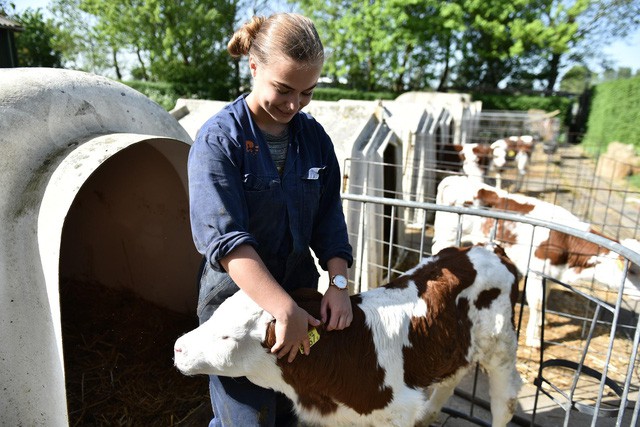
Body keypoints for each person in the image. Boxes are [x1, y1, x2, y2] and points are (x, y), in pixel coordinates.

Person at [187, 12, 354, 426]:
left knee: (293, 411)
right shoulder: (218, 141)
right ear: (254, 66)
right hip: (235, 304)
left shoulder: (314, 138)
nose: (294, 104)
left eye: (307, 92)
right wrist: (283, 310)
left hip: (299, 295)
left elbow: (329, 216)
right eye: (283, 89)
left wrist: (338, 284)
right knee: (245, 417)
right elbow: (227, 243)